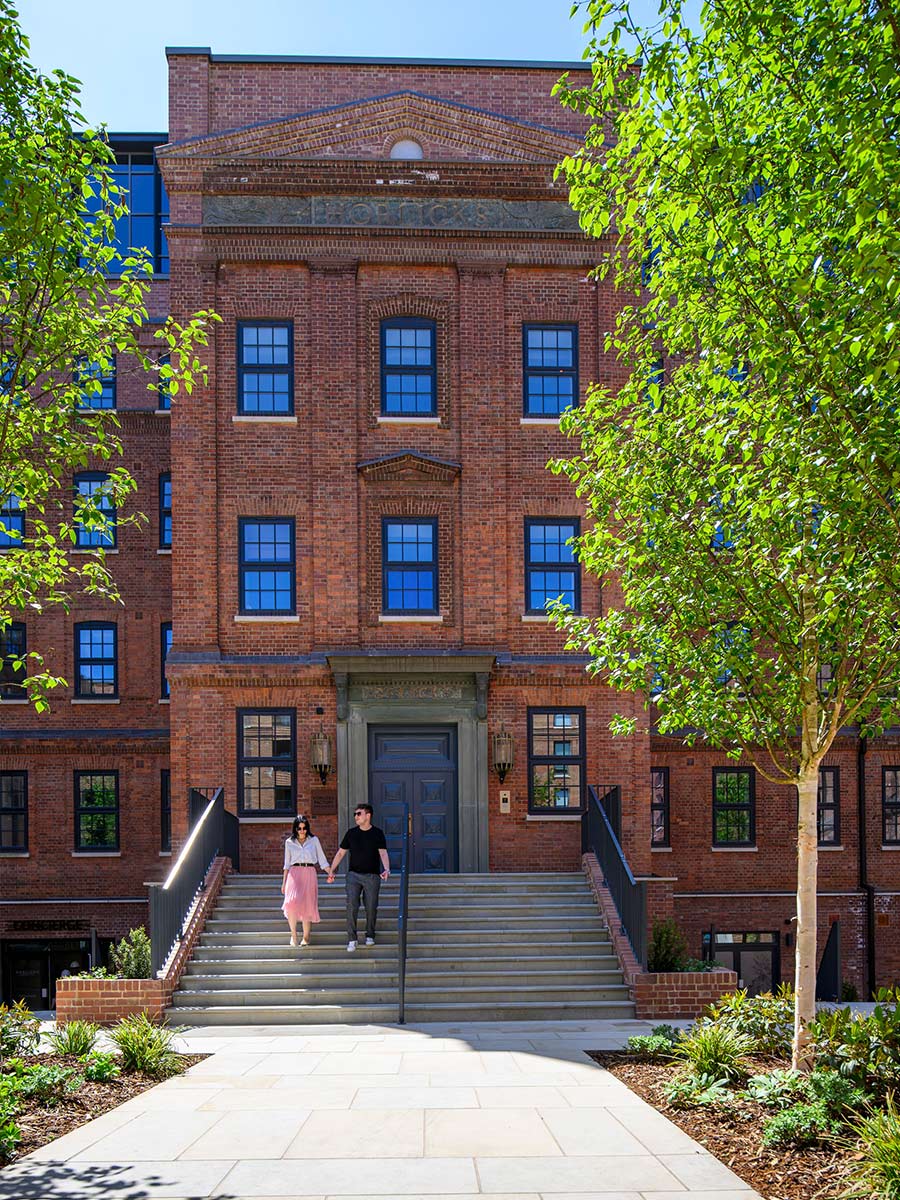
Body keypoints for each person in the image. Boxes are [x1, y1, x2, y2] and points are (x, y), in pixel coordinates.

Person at [327, 803, 389, 952]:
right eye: (355, 814)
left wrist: (387, 868)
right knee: (352, 906)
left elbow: (383, 853)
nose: (356, 816)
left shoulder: (378, 833)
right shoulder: (351, 833)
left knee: (371, 907)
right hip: (353, 876)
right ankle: (352, 939)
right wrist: (332, 870)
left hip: (372, 876)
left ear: (368, 816)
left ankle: (370, 935)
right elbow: (341, 853)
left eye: (359, 814)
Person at [281, 814, 330, 947]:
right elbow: (286, 864)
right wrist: (284, 882)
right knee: (291, 903)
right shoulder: (289, 842)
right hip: (294, 873)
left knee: (307, 904)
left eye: (304, 828)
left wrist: (330, 872)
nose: (302, 831)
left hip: (309, 872)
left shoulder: (314, 840)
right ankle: (293, 935)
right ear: (295, 829)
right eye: (299, 828)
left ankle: (306, 936)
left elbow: (322, 859)